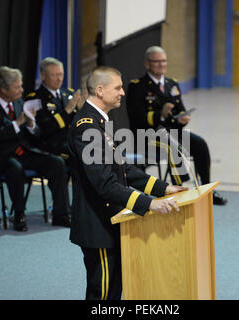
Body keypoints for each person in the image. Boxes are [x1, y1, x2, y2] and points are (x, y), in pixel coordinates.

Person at [68, 66, 187, 300]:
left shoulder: (101, 122)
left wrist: (163, 188)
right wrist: (149, 204)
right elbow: (105, 184)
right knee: (101, 293)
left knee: (114, 290)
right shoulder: (87, 128)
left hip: (111, 220)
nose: (123, 92)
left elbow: (122, 168)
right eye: (118, 87)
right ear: (100, 90)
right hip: (97, 226)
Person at [0, 66, 71, 231]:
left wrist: (32, 125)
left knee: (56, 162)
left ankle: (61, 214)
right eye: (17, 87)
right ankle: (19, 214)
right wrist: (17, 124)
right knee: (15, 169)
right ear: (3, 89)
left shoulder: (19, 102)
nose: (22, 90)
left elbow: (35, 134)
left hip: (22, 152)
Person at [126, 45, 227, 205]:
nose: (161, 65)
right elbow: (136, 118)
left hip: (171, 132)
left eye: (164, 61)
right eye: (157, 62)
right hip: (147, 136)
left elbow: (181, 111)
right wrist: (161, 114)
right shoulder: (137, 86)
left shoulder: (171, 84)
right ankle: (180, 191)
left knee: (200, 144)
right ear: (147, 64)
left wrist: (183, 119)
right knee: (173, 147)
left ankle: (206, 189)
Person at [25, 57, 86, 157]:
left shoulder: (68, 93)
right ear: (43, 76)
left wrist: (81, 110)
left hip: (73, 140)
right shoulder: (35, 99)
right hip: (52, 146)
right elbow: (44, 130)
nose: (59, 79)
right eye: (54, 75)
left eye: (61, 74)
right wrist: (67, 111)